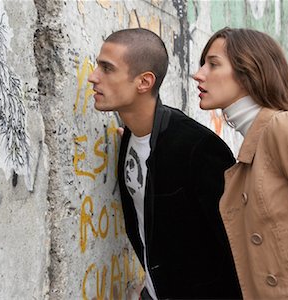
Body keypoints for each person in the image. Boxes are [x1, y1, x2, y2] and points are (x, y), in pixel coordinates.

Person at [88, 28, 242, 299]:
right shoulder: (131, 137)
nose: (93, 77)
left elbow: (236, 248)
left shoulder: (198, 148)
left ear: (144, 82)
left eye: (107, 69)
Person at [192, 27, 288, 299]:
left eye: (213, 64)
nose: (199, 74)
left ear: (249, 70)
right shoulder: (253, 148)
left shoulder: (287, 127)